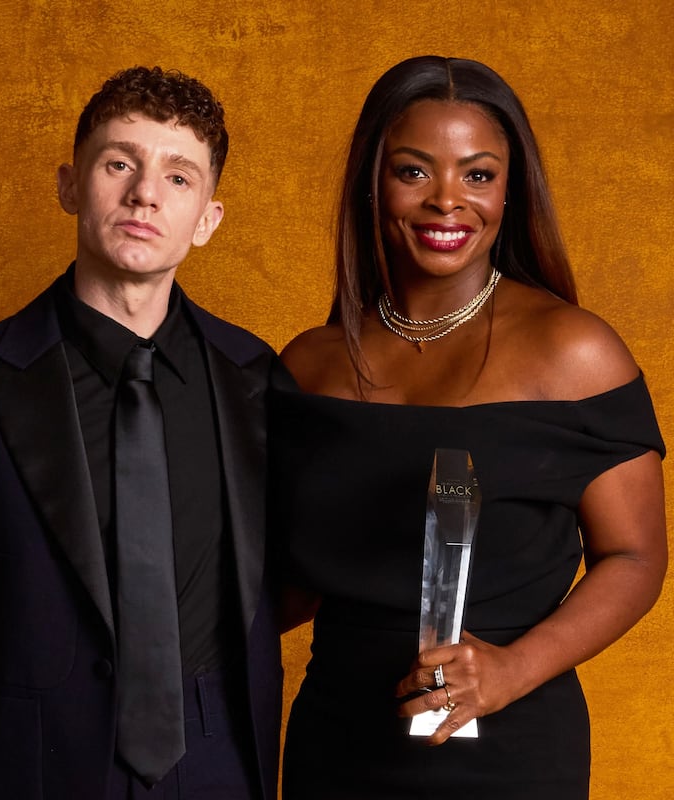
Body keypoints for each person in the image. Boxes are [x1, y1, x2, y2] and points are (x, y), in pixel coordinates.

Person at [0, 66, 283, 800]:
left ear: (209, 220)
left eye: (179, 177)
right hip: (30, 770)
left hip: (219, 765)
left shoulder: (258, 378)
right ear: (70, 185)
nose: (145, 193)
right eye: (119, 163)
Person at [270, 56, 667, 799]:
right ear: (372, 181)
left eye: (478, 175)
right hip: (336, 744)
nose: (446, 202)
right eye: (414, 172)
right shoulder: (311, 365)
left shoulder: (575, 353)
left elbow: (636, 557)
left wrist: (512, 670)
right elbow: (287, 585)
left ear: (511, 192)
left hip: (509, 748)